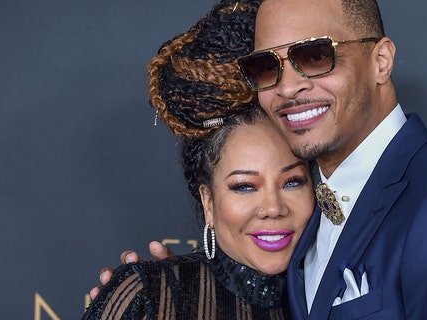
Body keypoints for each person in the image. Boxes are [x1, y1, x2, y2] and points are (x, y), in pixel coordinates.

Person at [97, 0, 427, 318]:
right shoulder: (320, 213)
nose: (288, 87)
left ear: (381, 60)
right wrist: (177, 291)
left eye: (315, 56)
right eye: (268, 66)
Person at [83, 1, 314, 319]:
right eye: (245, 186)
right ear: (208, 200)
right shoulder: (150, 298)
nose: (273, 208)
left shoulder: (345, 292)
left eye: (293, 181)